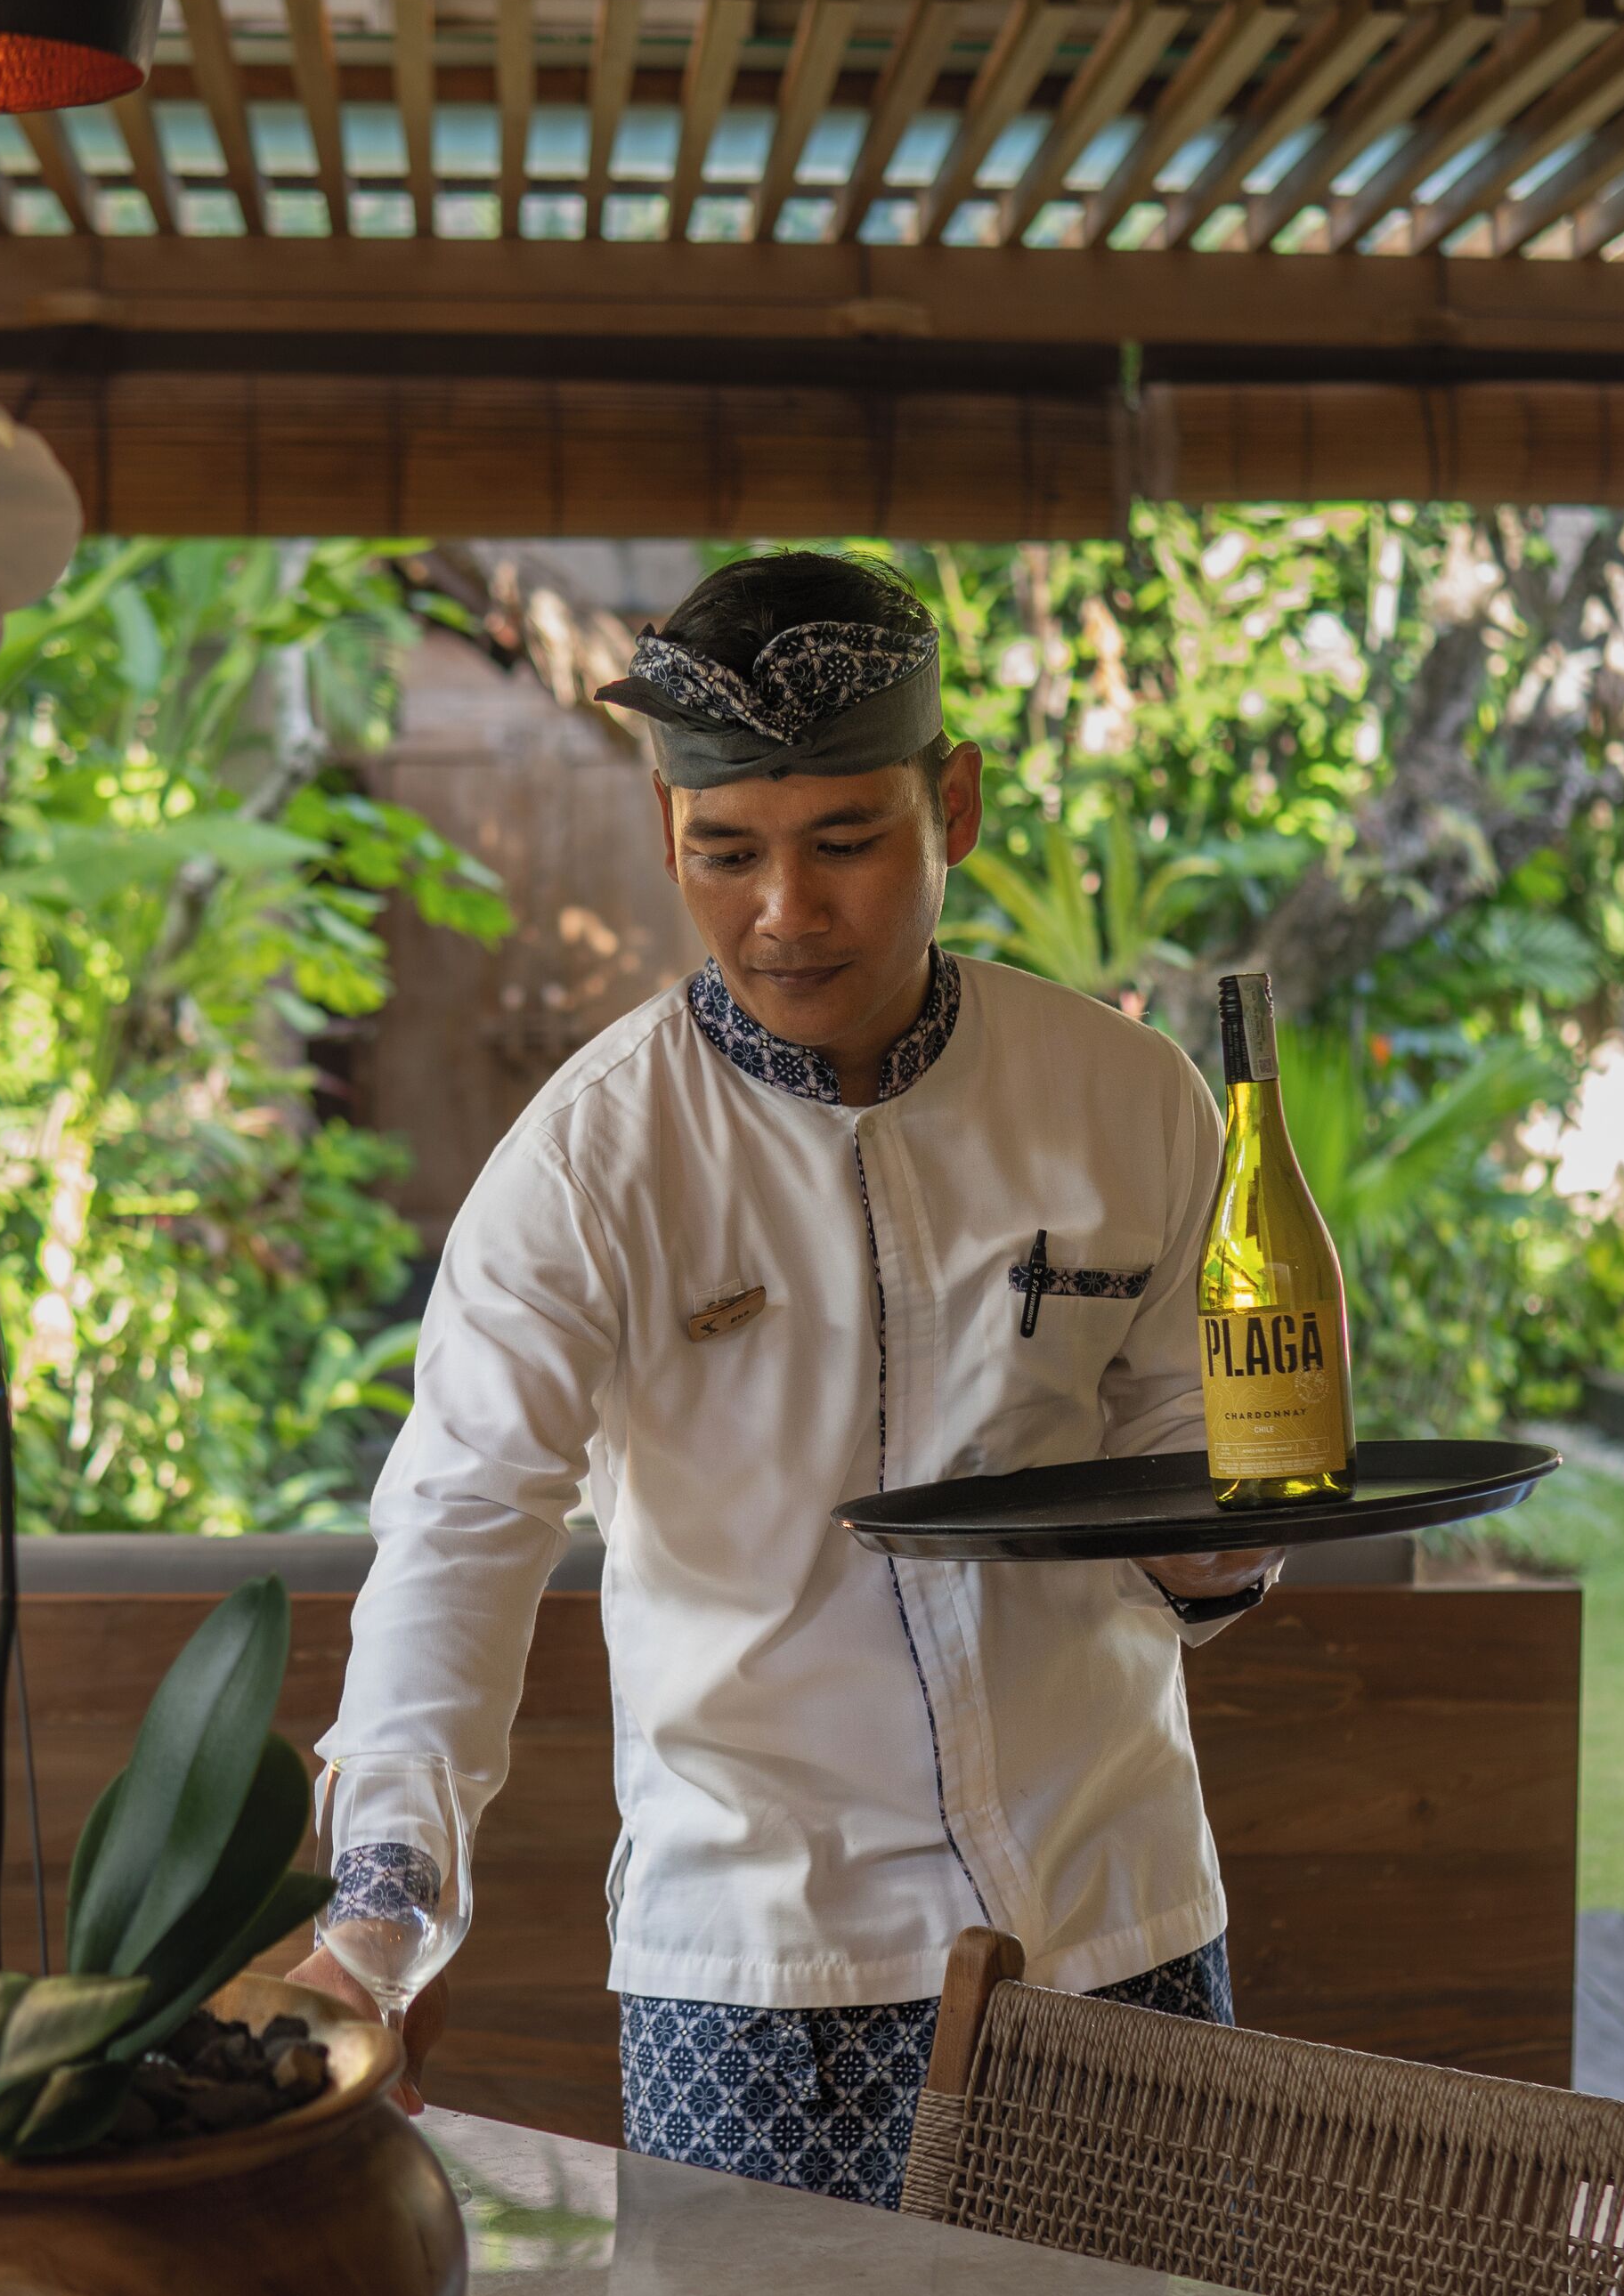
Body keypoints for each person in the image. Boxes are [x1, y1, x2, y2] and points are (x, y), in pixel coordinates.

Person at [299, 551, 1277, 2208]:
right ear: (666, 831)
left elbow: (1196, 1448)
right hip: (763, 1982)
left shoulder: (1131, 1099)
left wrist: (1227, 1551)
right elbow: (459, 1528)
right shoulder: (589, 1162)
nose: (787, 912)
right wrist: (382, 1914)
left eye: (846, 842)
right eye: (727, 853)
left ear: (951, 807)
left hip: (1120, 1925)